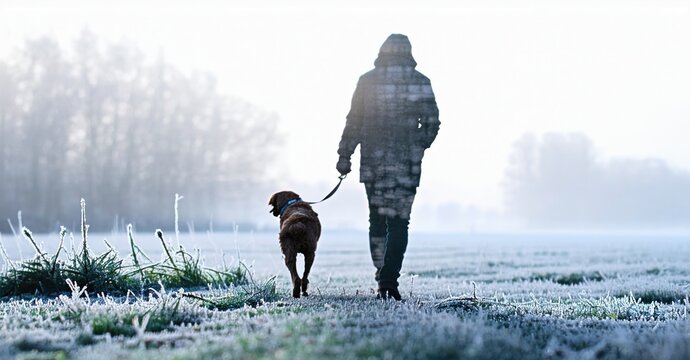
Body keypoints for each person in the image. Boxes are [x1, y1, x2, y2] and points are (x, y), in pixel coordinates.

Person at [336, 34, 440, 300]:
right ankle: (388, 278)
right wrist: (418, 146)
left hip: (373, 164)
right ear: (408, 53)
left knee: (377, 221)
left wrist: (345, 155)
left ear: (382, 52)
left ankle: (382, 272)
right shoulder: (420, 83)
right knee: (399, 223)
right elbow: (432, 124)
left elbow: (354, 123)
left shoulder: (367, 82)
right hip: (406, 166)